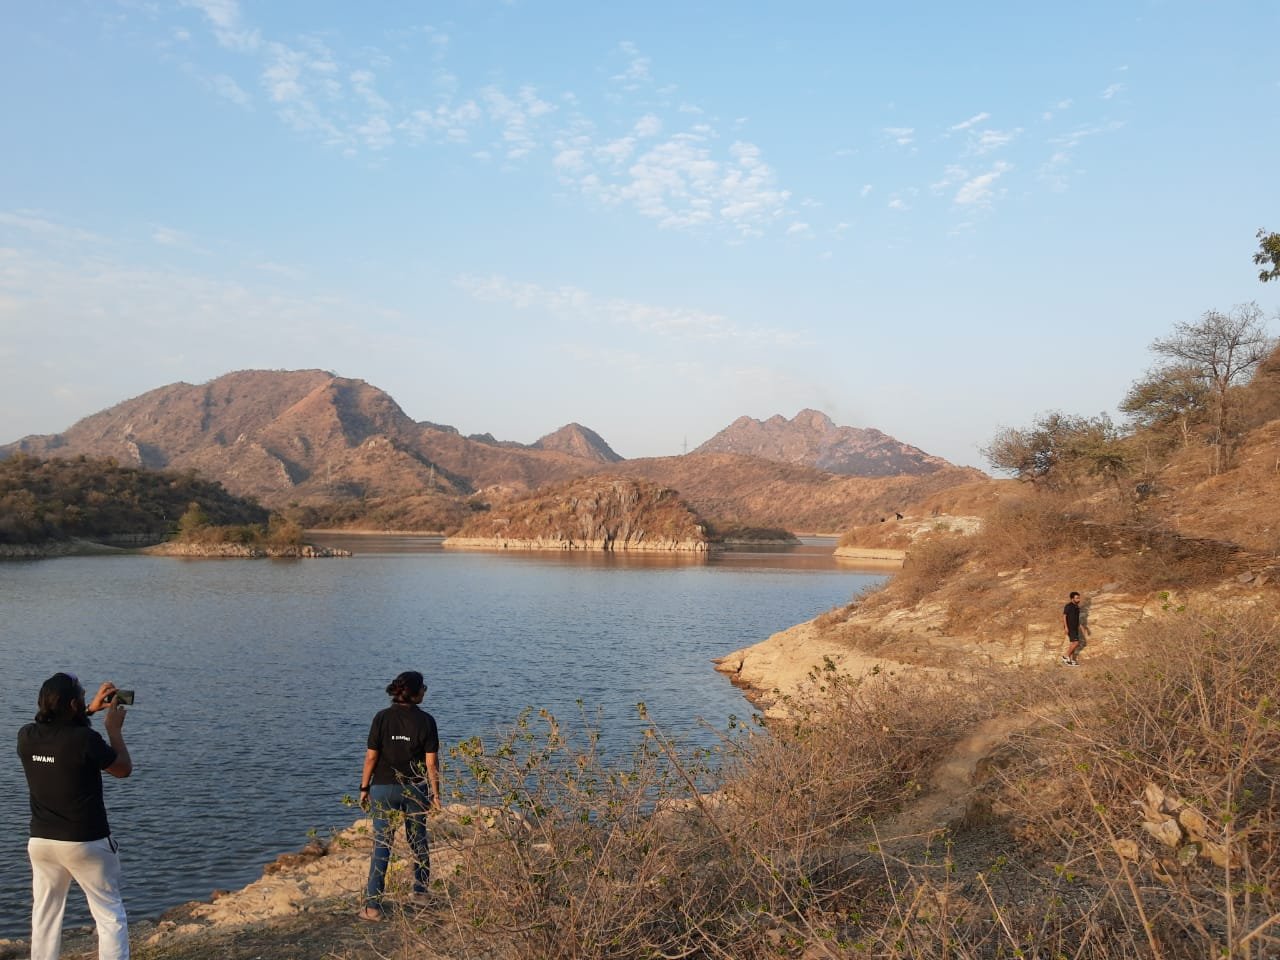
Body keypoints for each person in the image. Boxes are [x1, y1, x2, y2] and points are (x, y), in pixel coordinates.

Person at [18, 673, 134, 960]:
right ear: (72, 704)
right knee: (109, 913)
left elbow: (59, 732)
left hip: (42, 842)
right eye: (82, 696)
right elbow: (122, 769)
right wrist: (113, 729)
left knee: (45, 914)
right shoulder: (85, 739)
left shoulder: (26, 736)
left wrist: (89, 710)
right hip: (86, 842)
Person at [358, 670, 441, 921]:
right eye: (423, 687)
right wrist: (436, 795)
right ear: (414, 692)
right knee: (418, 840)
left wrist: (364, 788)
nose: (425, 691)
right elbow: (431, 764)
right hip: (415, 789)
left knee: (382, 844)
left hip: (382, 787)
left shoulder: (381, 718)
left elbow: (371, 757)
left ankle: (372, 907)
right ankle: (420, 892)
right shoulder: (426, 721)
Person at [1061, 591, 1089, 666]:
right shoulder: (1068, 606)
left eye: (1079, 598)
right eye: (1077, 598)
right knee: (1076, 643)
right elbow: (1064, 616)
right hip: (1070, 628)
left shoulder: (1077, 607)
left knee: (1073, 643)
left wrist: (1082, 628)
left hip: (1075, 627)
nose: (1078, 599)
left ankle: (1070, 660)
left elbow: (1077, 619)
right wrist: (1066, 627)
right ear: (1072, 598)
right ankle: (1066, 656)